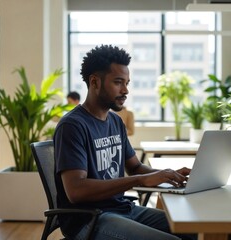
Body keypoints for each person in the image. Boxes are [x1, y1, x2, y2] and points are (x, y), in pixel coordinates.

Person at [53, 44, 194, 240]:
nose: (125, 90)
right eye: (118, 82)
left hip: (122, 209)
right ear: (94, 82)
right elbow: (76, 190)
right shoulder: (72, 126)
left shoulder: (115, 121)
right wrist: (139, 180)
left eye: (127, 82)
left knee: (194, 231)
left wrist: (169, 175)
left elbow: (135, 167)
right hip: (89, 220)